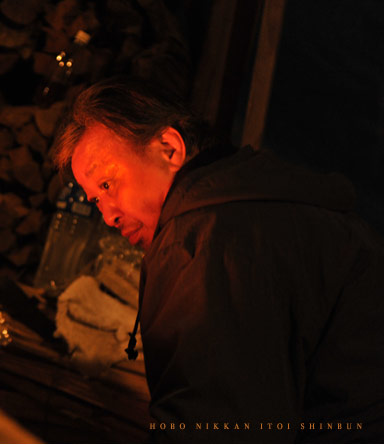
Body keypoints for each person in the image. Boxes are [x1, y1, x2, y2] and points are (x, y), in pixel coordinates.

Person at [51, 77, 384, 442]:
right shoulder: (268, 205)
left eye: (107, 184)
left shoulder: (202, 243)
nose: (108, 216)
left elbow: (215, 423)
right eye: (96, 201)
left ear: (169, 149)